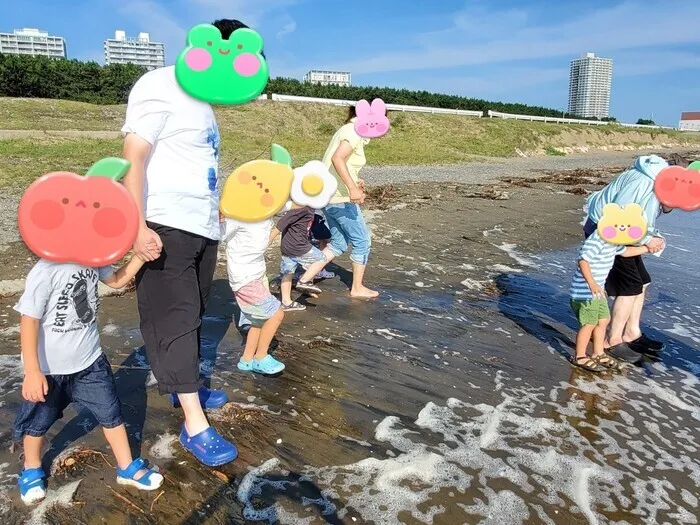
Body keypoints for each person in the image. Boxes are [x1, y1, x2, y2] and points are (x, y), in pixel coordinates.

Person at [121, 19, 250, 466]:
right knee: (173, 317)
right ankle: (194, 424)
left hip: (200, 226)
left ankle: (184, 388)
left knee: (193, 314)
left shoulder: (204, 102)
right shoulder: (159, 84)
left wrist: (214, 209)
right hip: (164, 223)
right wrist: (137, 227)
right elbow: (133, 159)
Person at [14, 255, 163, 504]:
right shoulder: (45, 269)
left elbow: (116, 280)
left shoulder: (93, 258)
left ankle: (126, 467)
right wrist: (32, 371)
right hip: (50, 368)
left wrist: (139, 256)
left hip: (90, 362)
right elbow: (28, 319)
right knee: (37, 422)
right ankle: (31, 468)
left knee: (111, 413)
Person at [583, 154, 684, 358]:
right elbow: (620, 214)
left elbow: (648, 211)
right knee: (629, 287)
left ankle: (631, 333)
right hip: (605, 231)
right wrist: (647, 239)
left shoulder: (659, 181)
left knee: (643, 282)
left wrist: (670, 203)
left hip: (625, 231)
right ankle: (613, 339)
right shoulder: (643, 180)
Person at [320, 106, 384, 299]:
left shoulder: (347, 129)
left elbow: (340, 163)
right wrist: (352, 188)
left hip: (329, 196)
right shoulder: (354, 131)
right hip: (340, 198)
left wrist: (354, 179)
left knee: (338, 243)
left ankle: (306, 276)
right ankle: (357, 288)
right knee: (362, 241)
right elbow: (337, 158)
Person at [569, 231, 650, 372]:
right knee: (589, 324)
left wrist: (648, 248)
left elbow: (625, 252)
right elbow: (583, 260)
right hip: (584, 293)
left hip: (597, 293)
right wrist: (592, 283)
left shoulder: (613, 241)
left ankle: (598, 353)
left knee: (604, 320)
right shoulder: (598, 239)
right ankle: (580, 356)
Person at [223, 217, 285, 375]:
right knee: (276, 313)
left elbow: (293, 202)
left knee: (258, 319)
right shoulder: (238, 217)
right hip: (244, 279)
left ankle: (247, 359)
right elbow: (217, 232)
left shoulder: (264, 213)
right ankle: (261, 357)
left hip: (256, 276)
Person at [271, 203, 327, 311]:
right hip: (298, 245)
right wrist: (270, 239)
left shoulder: (307, 207)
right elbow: (283, 221)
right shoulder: (302, 207)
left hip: (287, 245)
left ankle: (286, 302)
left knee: (288, 273)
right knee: (321, 259)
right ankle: (304, 281)